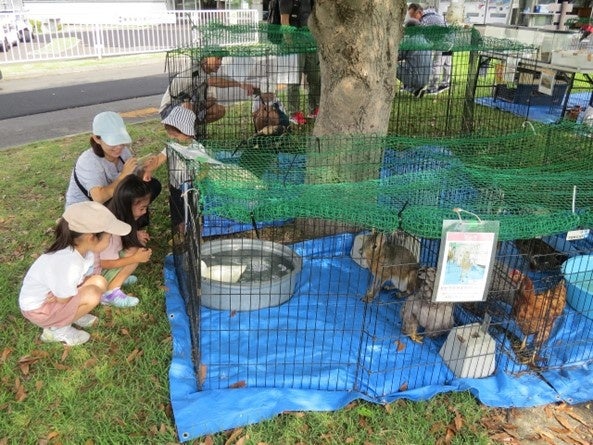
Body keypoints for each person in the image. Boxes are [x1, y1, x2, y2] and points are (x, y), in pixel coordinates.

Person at [19, 201, 132, 346]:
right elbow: (63, 299)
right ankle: (57, 330)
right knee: (93, 295)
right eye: (109, 238)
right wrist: (62, 296)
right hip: (40, 310)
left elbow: (78, 282)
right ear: (91, 237)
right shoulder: (69, 263)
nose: (110, 241)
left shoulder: (82, 251)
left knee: (99, 281)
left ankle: (71, 315)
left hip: (54, 298)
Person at [64, 111, 162, 229]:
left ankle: (131, 226)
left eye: (121, 141)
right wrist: (123, 175)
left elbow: (134, 177)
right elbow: (99, 198)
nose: (119, 147)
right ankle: (126, 231)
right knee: (130, 198)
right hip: (86, 211)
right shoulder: (88, 161)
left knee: (151, 185)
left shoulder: (123, 151)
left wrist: (145, 170)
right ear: (97, 138)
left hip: (112, 201)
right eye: (113, 143)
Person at [159, 55, 257, 138]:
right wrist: (240, 84)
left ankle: (191, 128)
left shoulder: (206, 73)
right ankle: (177, 131)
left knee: (218, 109)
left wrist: (206, 102)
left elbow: (214, 94)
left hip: (191, 106)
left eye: (221, 59)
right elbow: (213, 81)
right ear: (206, 58)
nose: (220, 63)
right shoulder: (194, 69)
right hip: (170, 109)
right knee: (187, 105)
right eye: (217, 59)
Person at [98, 174, 153, 307]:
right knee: (135, 252)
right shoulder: (110, 232)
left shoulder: (117, 217)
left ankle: (117, 278)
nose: (145, 211)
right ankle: (110, 292)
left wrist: (135, 233)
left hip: (102, 268)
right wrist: (135, 259)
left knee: (136, 245)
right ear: (127, 207)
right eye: (142, 208)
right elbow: (102, 263)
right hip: (97, 276)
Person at [277, 0, 321, 125]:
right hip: (294, 40)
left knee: (315, 76)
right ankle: (293, 112)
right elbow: (284, 20)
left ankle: (314, 108)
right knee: (294, 79)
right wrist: (290, 42)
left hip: (310, 38)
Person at [408, 3, 452, 95]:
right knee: (446, 64)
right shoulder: (432, 13)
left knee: (436, 65)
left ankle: (432, 88)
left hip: (442, 42)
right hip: (450, 40)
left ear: (419, 12)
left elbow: (424, 39)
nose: (412, 18)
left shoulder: (425, 20)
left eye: (413, 15)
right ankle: (445, 83)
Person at [397, 18, 433, 98]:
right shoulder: (426, 40)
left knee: (391, 66)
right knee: (408, 65)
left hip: (415, 78)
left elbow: (396, 57)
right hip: (427, 78)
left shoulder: (410, 41)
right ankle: (416, 90)